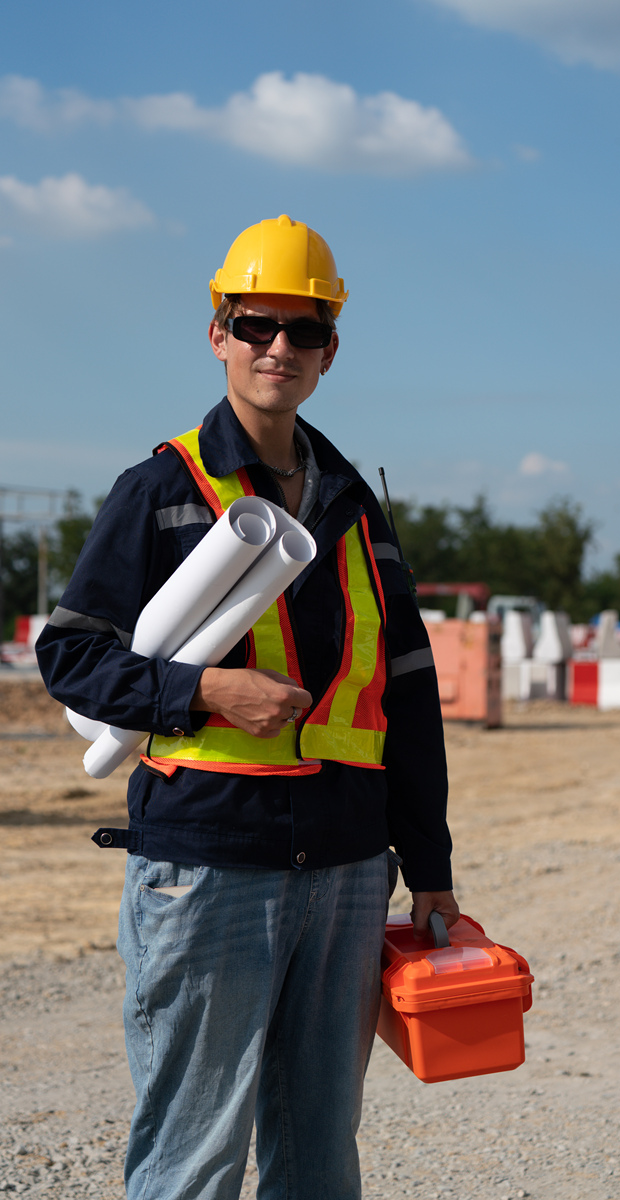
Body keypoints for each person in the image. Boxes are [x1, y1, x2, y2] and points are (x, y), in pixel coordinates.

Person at [36, 214, 459, 1200]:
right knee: (194, 1162)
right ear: (219, 333)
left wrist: (429, 868)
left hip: (351, 873)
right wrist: (201, 691)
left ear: (330, 351)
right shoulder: (164, 490)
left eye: (302, 331)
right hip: (209, 864)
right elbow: (71, 656)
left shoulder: (356, 505)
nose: (280, 348)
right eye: (257, 325)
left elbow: (407, 698)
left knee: (318, 1157)